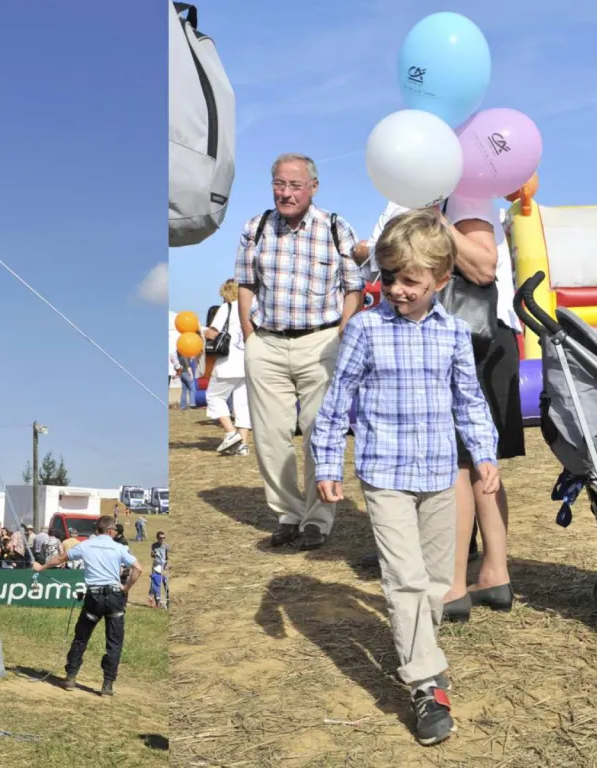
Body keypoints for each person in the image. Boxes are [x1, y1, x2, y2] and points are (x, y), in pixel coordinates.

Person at [311, 208, 500, 746]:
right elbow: (337, 401)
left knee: (438, 581)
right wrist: (327, 463)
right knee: (403, 580)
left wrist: (484, 455)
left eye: (409, 280)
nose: (395, 288)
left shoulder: (455, 334)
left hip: (441, 474)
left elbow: (470, 400)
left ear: (442, 280)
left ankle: (423, 652)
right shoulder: (366, 329)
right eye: (387, 276)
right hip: (385, 475)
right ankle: (427, 685)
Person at [354, 197, 519, 621]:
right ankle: (491, 576)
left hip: (467, 335)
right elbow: (379, 259)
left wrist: (434, 222)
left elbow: (484, 266)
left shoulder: (464, 196)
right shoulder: (409, 195)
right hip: (455, 336)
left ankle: (454, 586)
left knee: (463, 461)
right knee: (474, 460)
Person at [236, 152, 364, 550]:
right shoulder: (255, 228)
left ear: (313, 187)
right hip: (267, 343)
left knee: (318, 433)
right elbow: (244, 283)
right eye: (279, 183)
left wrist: (343, 332)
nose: (286, 193)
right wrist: (249, 332)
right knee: (270, 437)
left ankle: (318, 520)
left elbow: (353, 286)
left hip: (321, 342)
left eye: (294, 185)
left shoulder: (335, 227)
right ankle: (288, 514)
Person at [33, 516, 143, 696]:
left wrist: (41, 568)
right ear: (109, 531)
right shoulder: (119, 547)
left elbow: (60, 559)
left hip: (94, 597)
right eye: (115, 530)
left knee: (81, 637)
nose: (116, 532)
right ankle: (107, 685)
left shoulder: (86, 545)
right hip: (115, 597)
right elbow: (138, 568)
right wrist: (126, 587)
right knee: (114, 642)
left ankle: (70, 677)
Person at [204, 278, 251, 456]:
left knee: (214, 396)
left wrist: (202, 331)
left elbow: (213, 333)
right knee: (243, 404)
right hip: (247, 362)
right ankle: (243, 445)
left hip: (229, 362)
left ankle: (231, 433)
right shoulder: (252, 308)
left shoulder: (227, 308)